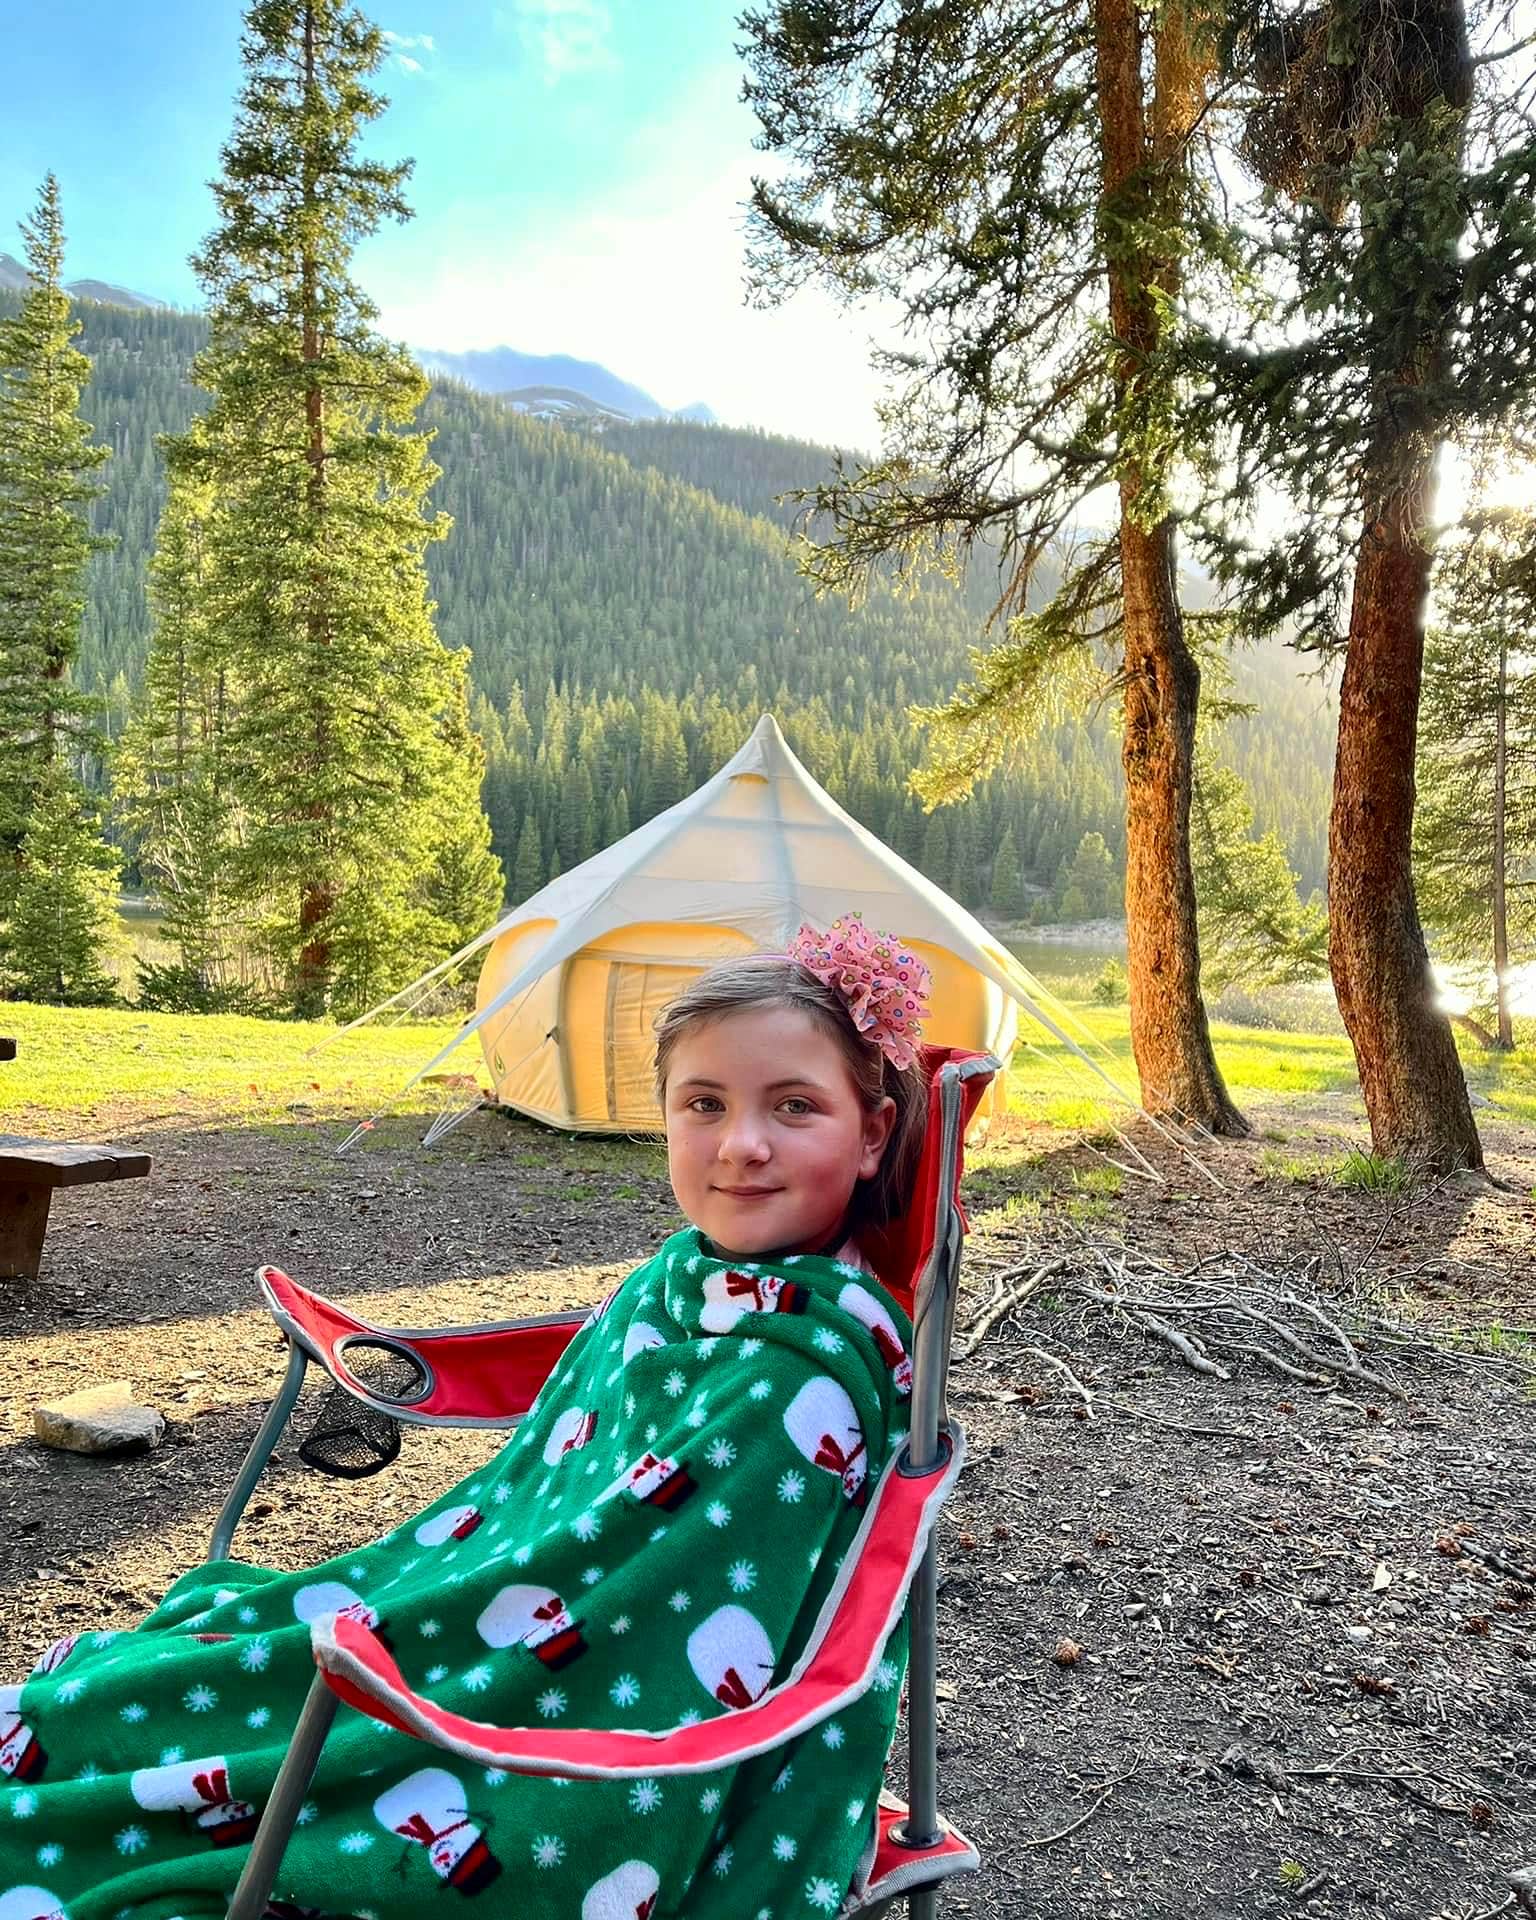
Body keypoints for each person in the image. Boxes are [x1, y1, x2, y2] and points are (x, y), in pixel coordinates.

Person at [0, 916, 932, 1920]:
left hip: (556, 1727)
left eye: (794, 1107)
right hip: (478, 1584)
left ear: (873, 1133)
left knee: (203, 1736)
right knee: (206, 1671)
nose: (743, 1145)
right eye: (703, 1103)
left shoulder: (792, 1384)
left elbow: (665, 1624)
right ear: (664, 1114)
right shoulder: (694, 1272)